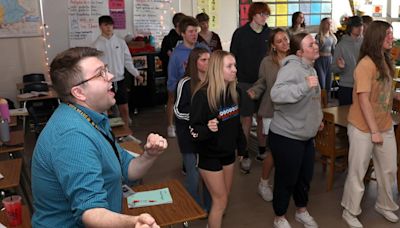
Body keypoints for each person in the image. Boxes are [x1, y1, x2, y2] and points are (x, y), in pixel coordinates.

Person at [31, 47, 167, 227]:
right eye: (100, 74)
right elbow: (91, 212)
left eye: (106, 69)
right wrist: (133, 222)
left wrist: (150, 155)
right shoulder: (73, 137)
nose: (110, 76)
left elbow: (127, 169)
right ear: (79, 92)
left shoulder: (91, 118)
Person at [341, 21, 399, 228]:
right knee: (358, 171)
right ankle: (350, 211)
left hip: (384, 124)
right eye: (388, 35)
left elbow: (384, 95)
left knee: (389, 169)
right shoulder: (365, 64)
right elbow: (364, 100)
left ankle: (384, 205)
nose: (391, 38)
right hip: (363, 127)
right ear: (376, 38)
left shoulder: (385, 60)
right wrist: (374, 131)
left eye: (391, 34)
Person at [269, 33, 323, 228]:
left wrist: (318, 119)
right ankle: (279, 216)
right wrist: (303, 86)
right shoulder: (292, 68)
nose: (315, 45)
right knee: (287, 178)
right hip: (286, 136)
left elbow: (313, 99)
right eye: (310, 44)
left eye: (315, 42)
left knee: (305, 177)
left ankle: (301, 210)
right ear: (300, 52)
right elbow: (277, 94)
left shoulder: (311, 68)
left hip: (306, 134)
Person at [189, 50, 246, 228]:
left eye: (235, 65)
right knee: (220, 201)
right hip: (209, 155)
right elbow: (193, 130)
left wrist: (242, 148)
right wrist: (207, 129)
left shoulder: (235, 91)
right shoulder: (202, 96)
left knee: (223, 200)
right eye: (229, 66)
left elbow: (236, 124)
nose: (235, 70)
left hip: (228, 153)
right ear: (216, 69)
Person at [247, 28, 290, 202]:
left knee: (288, 151)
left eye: (286, 39)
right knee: (275, 151)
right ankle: (264, 183)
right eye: (279, 41)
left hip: (291, 111)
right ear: (273, 45)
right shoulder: (267, 62)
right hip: (272, 111)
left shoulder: (296, 60)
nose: (284, 43)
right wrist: (254, 92)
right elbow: (262, 82)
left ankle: (285, 184)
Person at [230, 2, 270, 173]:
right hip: (245, 82)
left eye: (266, 15)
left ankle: (262, 149)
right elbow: (232, 56)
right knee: (246, 118)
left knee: (262, 117)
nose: (264, 18)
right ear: (253, 14)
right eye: (262, 14)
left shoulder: (269, 33)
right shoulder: (240, 33)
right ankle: (244, 153)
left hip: (264, 81)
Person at [173, 47, 211, 211]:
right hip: (188, 137)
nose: (208, 63)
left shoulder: (213, 80)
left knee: (209, 175)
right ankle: (194, 206)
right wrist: (198, 119)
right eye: (203, 60)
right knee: (194, 176)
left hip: (208, 136)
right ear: (194, 63)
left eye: (209, 59)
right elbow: (178, 111)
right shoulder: (185, 82)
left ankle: (211, 207)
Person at [93, 15, 144, 134]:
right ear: (100, 26)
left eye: (110, 25)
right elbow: (95, 65)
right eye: (105, 25)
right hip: (105, 82)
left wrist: (136, 74)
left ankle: (127, 132)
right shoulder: (96, 45)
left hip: (120, 80)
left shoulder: (120, 42)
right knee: (105, 110)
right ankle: (106, 134)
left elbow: (127, 61)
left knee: (124, 109)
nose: (109, 28)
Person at [166, 16, 209, 138]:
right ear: (183, 34)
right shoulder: (176, 54)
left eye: (196, 31)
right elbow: (172, 75)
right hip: (183, 91)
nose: (194, 34)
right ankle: (170, 125)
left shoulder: (203, 48)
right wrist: (173, 90)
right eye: (191, 31)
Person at [161, 12, 186, 137]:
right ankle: (170, 125)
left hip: (186, 75)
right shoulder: (168, 39)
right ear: (178, 24)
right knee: (172, 99)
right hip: (173, 74)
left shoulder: (186, 37)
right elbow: (163, 56)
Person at [331, 16, 363, 106]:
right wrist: (340, 67)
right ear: (350, 27)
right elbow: (333, 68)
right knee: (345, 116)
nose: (359, 28)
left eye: (361, 25)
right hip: (347, 86)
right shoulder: (341, 45)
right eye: (356, 26)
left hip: (363, 85)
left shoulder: (366, 43)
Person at [315, 17, 337, 95]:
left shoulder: (333, 37)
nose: (329, 24)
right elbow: (317, 50)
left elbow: (334, 51)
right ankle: (321, 101)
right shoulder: (319, 37)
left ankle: (327, 100)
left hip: (329, 60)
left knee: (329, 82)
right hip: (320, 60)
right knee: (322, 82)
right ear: (323, 24)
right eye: (327, 23)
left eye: (330, 23)